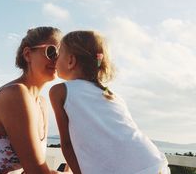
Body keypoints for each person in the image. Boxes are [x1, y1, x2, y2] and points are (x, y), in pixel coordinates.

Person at [50, 30, 170, 174]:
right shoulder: (111, 95)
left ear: (70, 61)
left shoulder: (60, 91)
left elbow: (68, 145)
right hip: (153, 163)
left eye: (58, 54)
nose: (54, 60)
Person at [0, 27, 65, 174]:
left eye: (61, 54)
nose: (57, 59)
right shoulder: (16, 94)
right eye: (51, 52)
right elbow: (36, 171)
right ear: (28, 54)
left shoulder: (41, 102)